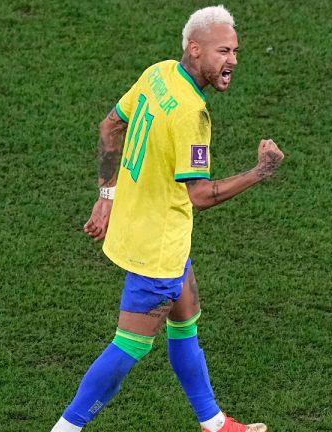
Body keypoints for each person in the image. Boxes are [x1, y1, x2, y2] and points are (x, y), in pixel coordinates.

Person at [51, 5, 282, 432]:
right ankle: (66, 428)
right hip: (157, 247)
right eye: (222, 51)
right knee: (128, 346)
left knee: (185, 322)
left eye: (234, 50)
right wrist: (259, 172)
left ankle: (213, 423)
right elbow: (201, 195)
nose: (232, 60)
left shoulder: (158, 73)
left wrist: (106, 196)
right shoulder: (192, 114)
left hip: (147, 229)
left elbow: (109, 127)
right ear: (194, 50)